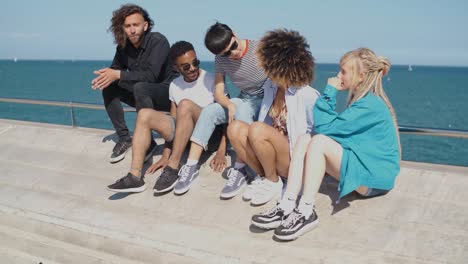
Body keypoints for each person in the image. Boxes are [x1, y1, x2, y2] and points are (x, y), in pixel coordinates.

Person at [251, 48, 401, 241]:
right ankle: (287, 203)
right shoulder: (363, 100)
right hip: (364, 168)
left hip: (374, 180)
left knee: (319, 141)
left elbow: (323, 127)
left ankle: (306, 210)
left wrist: (329, 92)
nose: (338, 76)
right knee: (305, 138)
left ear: (361, 76)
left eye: (344, 71)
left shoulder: (369, 105)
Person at [107, 41, 227, 193]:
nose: (193, 68)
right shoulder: (174, 85)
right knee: (144, 114)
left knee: (185, 105)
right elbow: (175, 124)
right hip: (186, 139)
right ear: (176, 68)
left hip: (209, 138)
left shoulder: (212, 79)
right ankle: (135, 177)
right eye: (186, 66)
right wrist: (165, 154)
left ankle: (173, 167)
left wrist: (222, 151)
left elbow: (226, 116)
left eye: (195, 62)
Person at [172, 22, 268, 197]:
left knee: (243, 112)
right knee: (210, 112)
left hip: (267, 101)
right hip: (245, 99)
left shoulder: (260, 48)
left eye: (233, 46)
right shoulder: (221, 59)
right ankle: (191, 167)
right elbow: (218, 91)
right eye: (226, 53)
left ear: (234, 33)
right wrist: (229, 104)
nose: (233, 53)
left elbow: (280, 79)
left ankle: (240, 169)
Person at [227, 29, 319, 206]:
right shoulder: (271, 86)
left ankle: (273, 182)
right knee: (235, 128)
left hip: (293, 161)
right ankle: (266, 178)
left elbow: (318, 135)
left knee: (256, 128)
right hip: (270, 156)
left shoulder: (307, 95)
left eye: (268, 66)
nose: (264, 70)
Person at [91, 4, 177, 163]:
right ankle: (125, 138)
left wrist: (117, 74)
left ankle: (147, 142)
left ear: (145, 26)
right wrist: (105, 76)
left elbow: (151, 76)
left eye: (135, 25)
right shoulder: (123, 47)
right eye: (127, 26)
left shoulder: (158, 41)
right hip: (142, 96)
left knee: (140, 86)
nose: (132, 30)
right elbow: (116, 71)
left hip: (167, 97)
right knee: (110, 85)